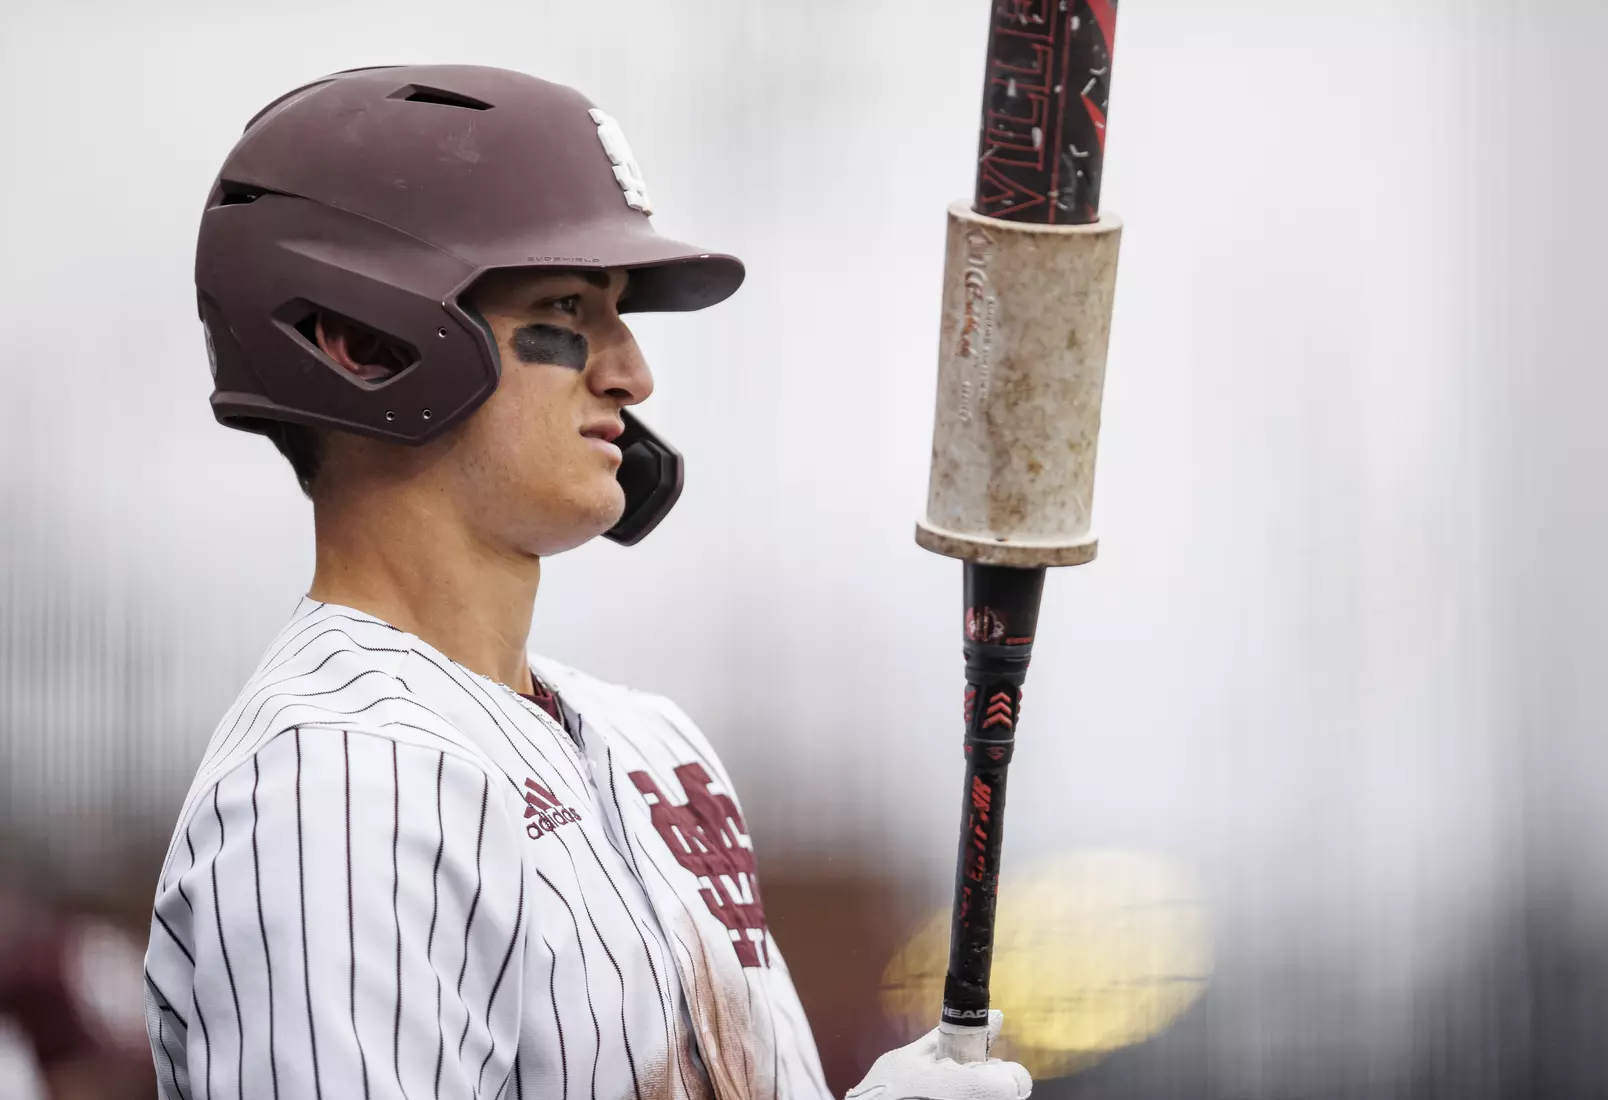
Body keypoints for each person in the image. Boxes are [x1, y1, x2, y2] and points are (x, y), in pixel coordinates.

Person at [143, 64, 1033, 1100]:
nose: (632, 372)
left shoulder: (654, 741)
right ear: (362, 342)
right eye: (568, 308)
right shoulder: (336, 777)